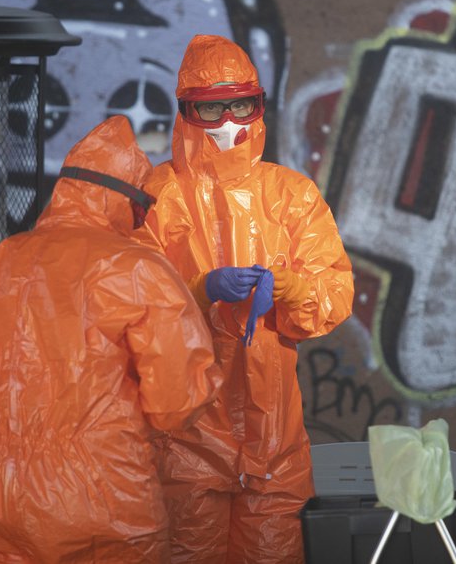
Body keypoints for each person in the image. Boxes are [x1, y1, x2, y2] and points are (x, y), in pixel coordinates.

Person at [0, 115, 221, 563]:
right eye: (141, 209)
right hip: (100, 504)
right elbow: (176, 403)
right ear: (123, 201)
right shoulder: (137, 269)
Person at [138, 34, 354, 563]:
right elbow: (128, 305)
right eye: (211, 107)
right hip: (183, 441)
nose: (229, 121)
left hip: (271, 444)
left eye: (240, 104)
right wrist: (198, 290)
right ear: (187, 111)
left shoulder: (292, 196)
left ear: (258, 106)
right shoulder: (155, 196)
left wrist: (290, 286)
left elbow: (334, 295)